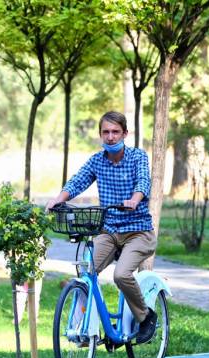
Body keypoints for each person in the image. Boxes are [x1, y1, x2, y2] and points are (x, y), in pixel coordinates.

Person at [46, 111, 157, 344]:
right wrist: (59, 198)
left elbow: (143, 181)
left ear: (125, 134)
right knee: (86, 273)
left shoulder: (138, 157)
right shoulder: (97, 161)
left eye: (115, 132)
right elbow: (78, 180)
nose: (110, 137)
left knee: (121, 275)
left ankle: (145, 316)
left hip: (138, 231)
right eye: (105, 132)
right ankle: (87, 327)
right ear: (100, 135)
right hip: (109, 231)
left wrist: (135, 199)